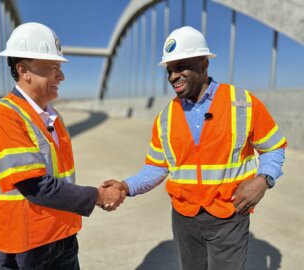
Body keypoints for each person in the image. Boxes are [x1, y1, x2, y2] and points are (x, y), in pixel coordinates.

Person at [102, 26, 287, 270]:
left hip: (229, 216)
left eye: (180, 67)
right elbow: (157, 168)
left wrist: (263, 181)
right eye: (169, 70)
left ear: (203, 65)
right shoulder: (165, 117)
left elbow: (274, 148)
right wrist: (126, 186)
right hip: (184, 219)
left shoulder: (242, 104)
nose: (173, 76)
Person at [0, 22, 125, 270]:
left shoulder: (52, 117)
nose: (62, 75)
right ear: (24, 70)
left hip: (61, 238)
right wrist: (98, 195)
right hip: (22, 248)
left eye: (60, 67)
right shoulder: (2, 116)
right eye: (52, 68)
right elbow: (35, 187)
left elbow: (60, 178)